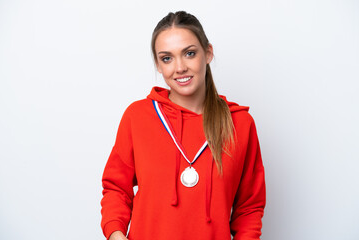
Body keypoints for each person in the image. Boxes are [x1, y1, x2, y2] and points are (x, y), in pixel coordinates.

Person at [100, 11, 266, 240]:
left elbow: (249, 208)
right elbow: (116, 189)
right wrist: (116, 236)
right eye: (167, 58)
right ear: (158, 65)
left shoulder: (240, 124)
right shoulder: (137, 117)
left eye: (189, 53)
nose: (179, 67)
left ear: (208, 53)